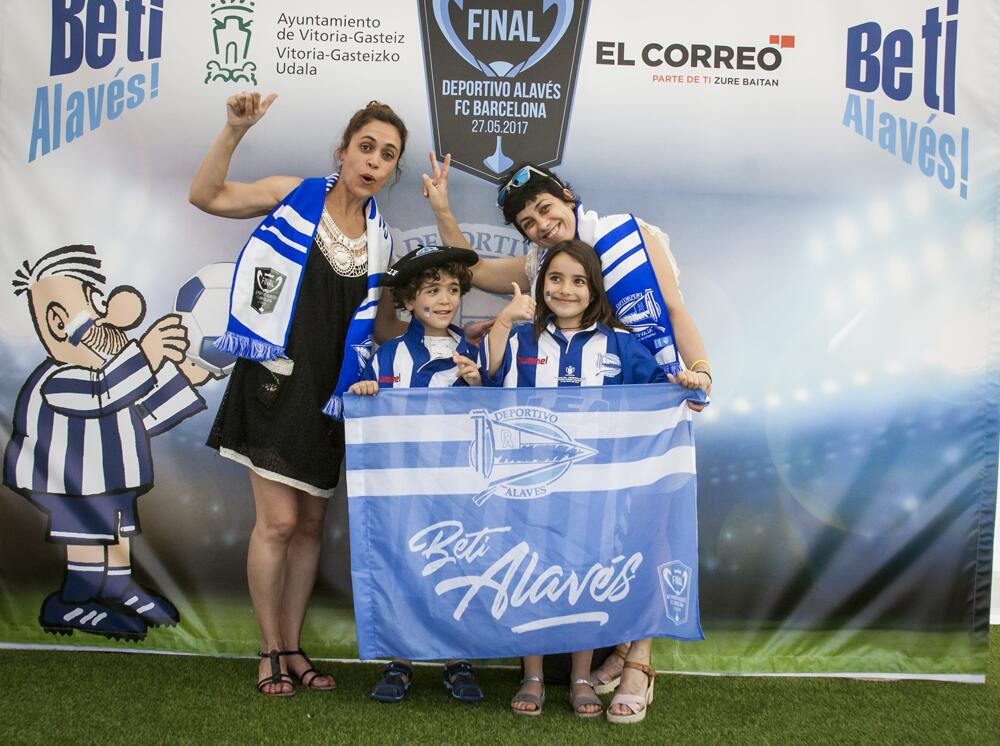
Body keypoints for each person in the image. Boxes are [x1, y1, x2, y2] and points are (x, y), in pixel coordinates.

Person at [425, 156, 712, 717]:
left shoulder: (633, 234)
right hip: (578, 422)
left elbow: (674, 309)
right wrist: (441, 211)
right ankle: (622, 647)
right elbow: (476, 271)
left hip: (651, 394)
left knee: (648, 526)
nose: (541, 223)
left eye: (546, 208)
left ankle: (638, 664)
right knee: (591, 534)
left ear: (569, 198)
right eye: (528, 221)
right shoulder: (540, 268)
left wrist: (702, 369)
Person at [188, 92, 407, 696]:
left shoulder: (383, 241)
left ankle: (292, 647)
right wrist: (233, 130)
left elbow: (384, 327)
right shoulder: (295, 194)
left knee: (311, 523)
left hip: (331, 393)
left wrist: (436, 313)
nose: (374, 161)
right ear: (343, 151)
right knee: (278, 523)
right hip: (273, 379)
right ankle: (267, 652)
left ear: (392, 171)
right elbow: (206, 196)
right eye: (366, 146)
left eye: (387, 155)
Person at [484, 239, 671, 721]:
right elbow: (487, 385)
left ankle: (582, 676)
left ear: (594, 290)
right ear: (540, 284)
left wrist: (688, 383)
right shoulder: (525, 340)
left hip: (598, 496)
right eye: (555, 278)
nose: (565, 289)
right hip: (532, 490)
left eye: (578, 280)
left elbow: (659, 396)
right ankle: (532, 673)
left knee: (583, 577)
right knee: (528, 574)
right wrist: (504, 321)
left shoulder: (622, 346)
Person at [347, 244, 485, 703]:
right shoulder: (388, 358)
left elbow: (493, 419)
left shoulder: (473, 353)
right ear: (407, 301)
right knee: (401, 566)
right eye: (431, 290)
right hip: (401, 490)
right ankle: (399, 659)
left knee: (458, 566)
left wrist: (477, 386)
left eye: (451, 289)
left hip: (457, 490)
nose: (445, 299)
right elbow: (364, 411)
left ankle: (457, 659)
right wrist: (365, 391)